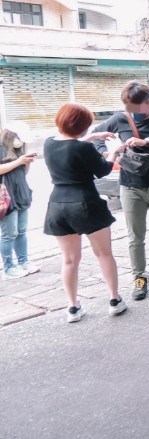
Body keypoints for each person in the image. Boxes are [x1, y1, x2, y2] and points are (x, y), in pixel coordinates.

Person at [92, 81, 149, 301]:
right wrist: (109, 153)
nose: (131, 114)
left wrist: (148, 143)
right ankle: (140, 280)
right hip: (130, 187)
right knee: (136, 238)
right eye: (128, 109)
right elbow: (95, 136)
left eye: (136, 109)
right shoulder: (120, 118)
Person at [44, 103, 127, 322]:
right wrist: (114, 153)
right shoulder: (83, 148)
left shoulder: (49, 144)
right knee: (103, 254)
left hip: (58, 206)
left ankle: (73, 307)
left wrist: (91, 137)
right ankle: (115, 300)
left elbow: (69, 148)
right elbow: (103, 169)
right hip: (85, 204)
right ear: (81, 127)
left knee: (69, 260)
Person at [0, 127, 38, 279]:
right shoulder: (1, 149)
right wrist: (18, 161)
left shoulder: (19, 151)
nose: (20, 142)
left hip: (21, 194)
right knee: (9, 233)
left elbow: (24, 173)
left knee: (21, 232)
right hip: (7, 196)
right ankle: (8, 268)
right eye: (18, 138)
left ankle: (23, 262)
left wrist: (26, 161)